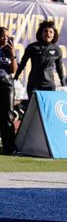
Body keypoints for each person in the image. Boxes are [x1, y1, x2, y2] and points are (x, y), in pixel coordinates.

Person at [14, 20, 64, 99]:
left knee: (47, 109)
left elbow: (59, 68)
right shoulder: (32, 47)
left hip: (49, 85)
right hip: (34, 84)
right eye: (45, 31)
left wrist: (63, 83)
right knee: (34, 108)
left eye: (51, 32)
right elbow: (23, 64)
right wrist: (15, 78)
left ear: (54, 35)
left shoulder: (57, 50)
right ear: (41, 33)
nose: (48, 34)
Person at [0, 27, 17, 155]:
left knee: (8, 116)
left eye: (7, 36)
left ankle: (9, 149)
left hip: (7, 85)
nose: (5, 38)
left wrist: (13, 54)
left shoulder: (8, 51)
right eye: (2, 35)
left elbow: (13, 70)